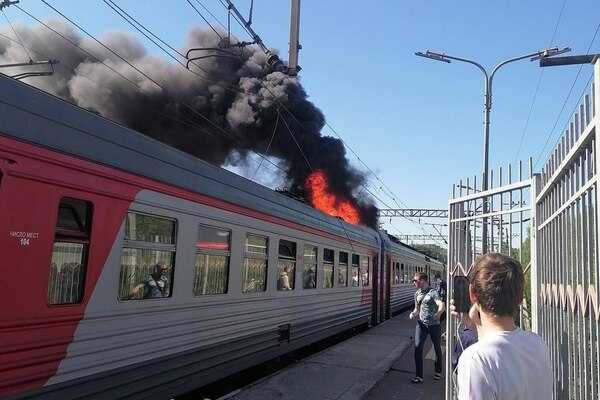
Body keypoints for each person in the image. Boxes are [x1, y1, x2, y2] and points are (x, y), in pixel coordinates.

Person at [451, 253, 552, 400]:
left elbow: (492, 349)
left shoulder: (475, 360)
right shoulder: (537, 343)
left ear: (472, 294)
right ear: (519, 298)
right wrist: (476, 326)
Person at [409, 272, 445, 384]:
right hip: (421, 325)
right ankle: (419, 376)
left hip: (434, 325)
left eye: (415, 280)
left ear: (422, 280)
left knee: (437, 348)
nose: (413, 282)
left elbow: (441, 305)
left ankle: (438, 371)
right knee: (418, 348)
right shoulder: (417, 294)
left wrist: (439, 313)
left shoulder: (433, 292)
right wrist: (413, 313)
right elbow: (417, 309)